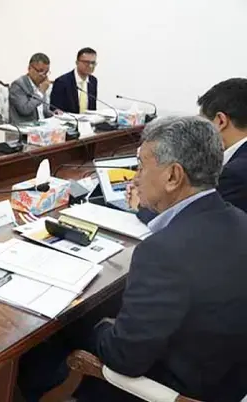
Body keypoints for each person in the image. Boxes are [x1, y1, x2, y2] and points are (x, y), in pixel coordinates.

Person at [19, 116, 247, 402]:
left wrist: (96, 324)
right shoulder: (240, 220)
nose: (136, 178)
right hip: (228, 379)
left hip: (171, 390)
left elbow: (124, 358)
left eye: (141, 166)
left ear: (173, 176)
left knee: (45, 346)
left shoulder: (163, 252)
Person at [129, 78, 247, 222]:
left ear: (220, 121)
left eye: (202, 122)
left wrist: (141, 204)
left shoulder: (234, 173)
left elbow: (194, 220)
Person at [9, 53, 54, 124]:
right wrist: (40, 92)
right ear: (29, 68)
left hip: (43, 125)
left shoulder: (41, 84)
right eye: (40, 71)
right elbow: (25, 110)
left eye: (46, 72)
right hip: (25, 126)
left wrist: (54, 114)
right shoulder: (18, 85)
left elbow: (42, 111)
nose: (44, 76)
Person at [50, 47, 98, 114]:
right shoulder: (62, 82)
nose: (90, 66)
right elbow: (55, 109)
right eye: (86, 62)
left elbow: (92, 109)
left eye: (93, 63)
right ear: (77, 62)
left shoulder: (93, 81)